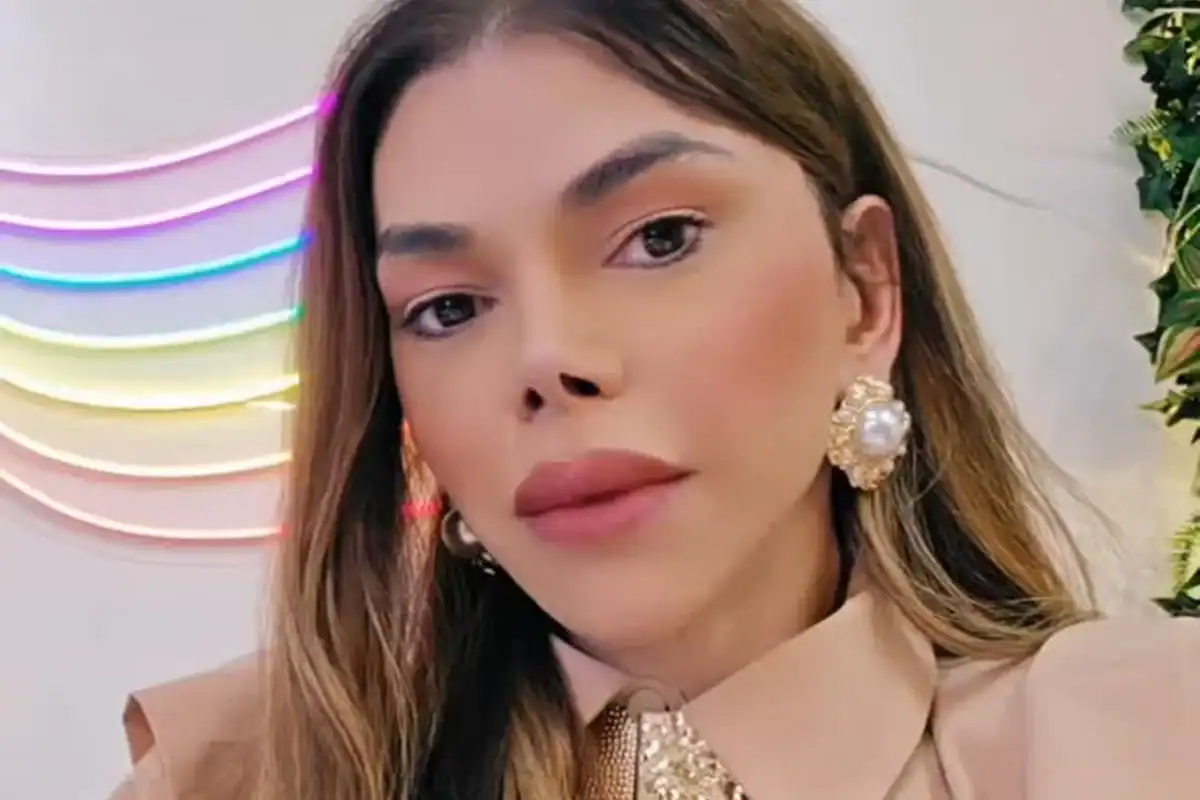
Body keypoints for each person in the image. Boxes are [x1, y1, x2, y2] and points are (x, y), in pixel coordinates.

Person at [108, 0, 1199, 798]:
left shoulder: (1144, 742)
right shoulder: (236, 776)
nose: (548, 359)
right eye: (447, 307)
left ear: (865, 290)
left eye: (661, 238)